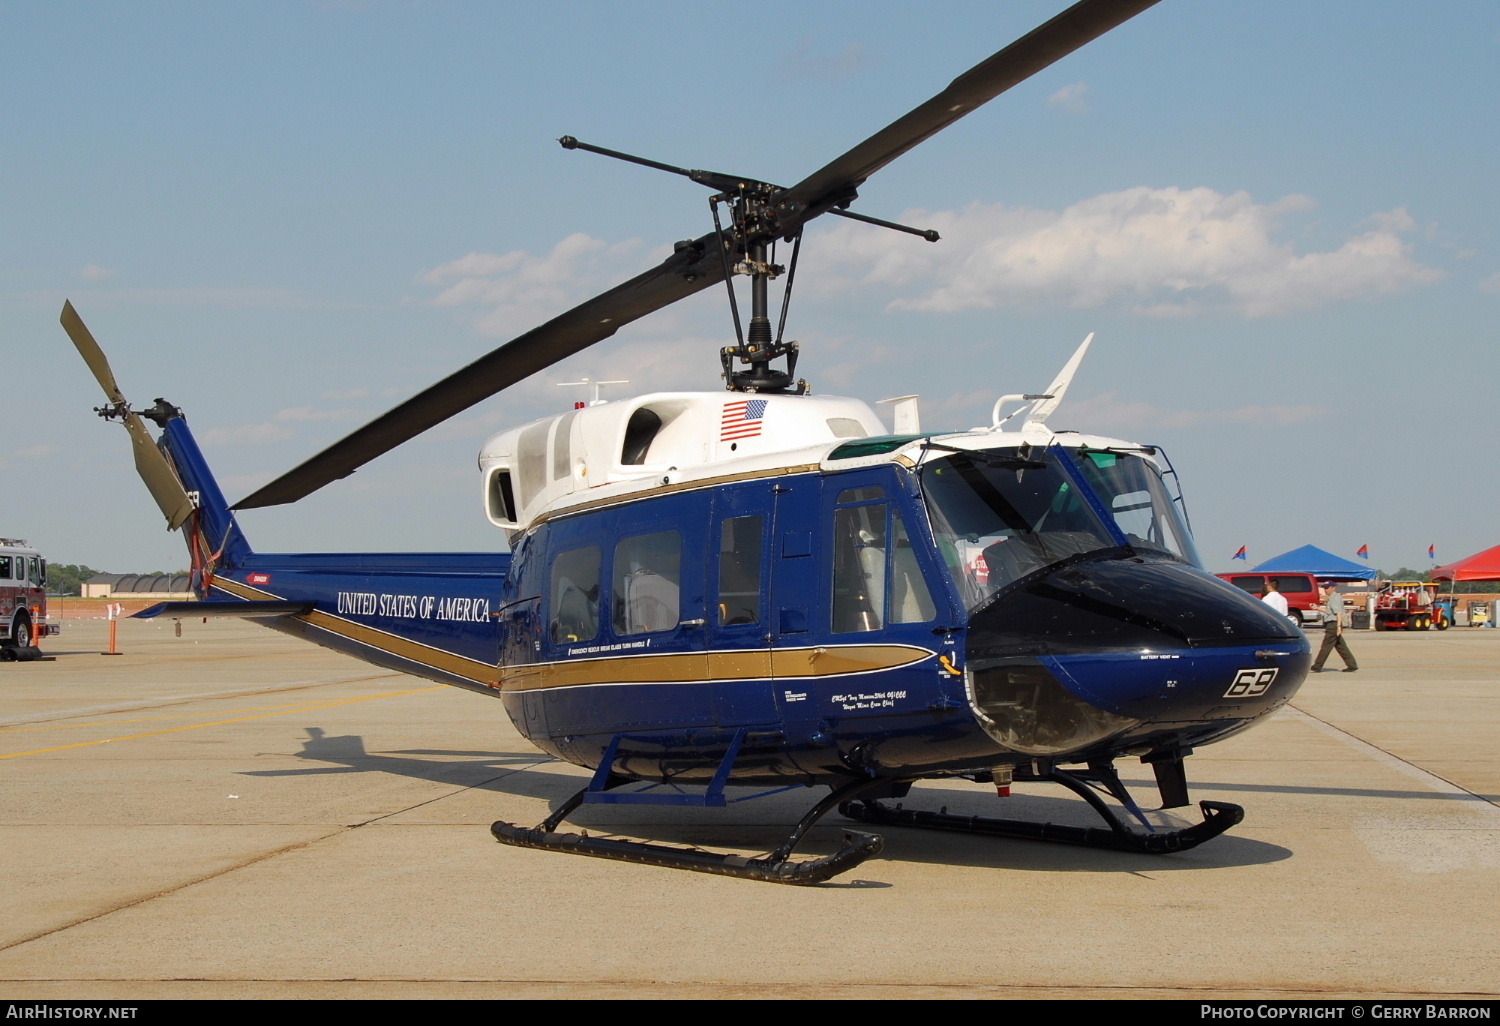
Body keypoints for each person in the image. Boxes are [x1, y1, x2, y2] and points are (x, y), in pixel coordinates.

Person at [1311, 582, 1358, 672]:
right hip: (1332, 623)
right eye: (1325, 588)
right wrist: (1317, 608)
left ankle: (1317, 665)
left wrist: (1338, 626)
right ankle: (1352, 665)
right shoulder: (1331, 598)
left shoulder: (1335, 598)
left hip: (1334, 624)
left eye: (1327, 588)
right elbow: (1329, 611)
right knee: (1341, 646)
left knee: (1326, 645)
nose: (1326, 590)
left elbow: (1338, 612)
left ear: (1333, 588)